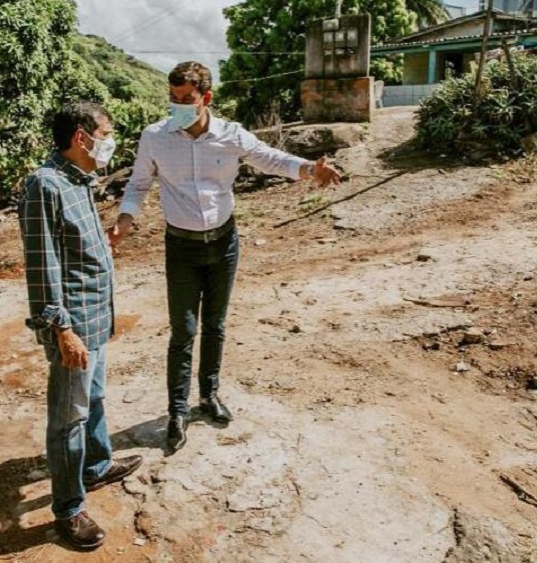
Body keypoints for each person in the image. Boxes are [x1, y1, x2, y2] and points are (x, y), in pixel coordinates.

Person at [110, 62, 341, 453]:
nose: (178, 105)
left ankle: (208, 396)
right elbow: (138, 184)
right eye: (173, 98)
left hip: (223, 244)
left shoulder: (230, 135)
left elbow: (270, 158)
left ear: (206, 98)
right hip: (181, 247)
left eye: (186, 99)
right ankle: (177, 412)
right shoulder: (155, 137)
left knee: (215, 325)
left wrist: (308, 169)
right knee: (183, 332)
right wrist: (124, 221)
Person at [18, 101, 142, 550]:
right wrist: (61, 329)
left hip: (95, 316)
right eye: (105, 133)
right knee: (69, 419)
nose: (110, 142)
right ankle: (69, 508)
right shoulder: (45, 185)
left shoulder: (79, 180)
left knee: (95, 397)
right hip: (72, 325)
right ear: (80, 137)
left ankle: (96, 465)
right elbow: (43, 264)